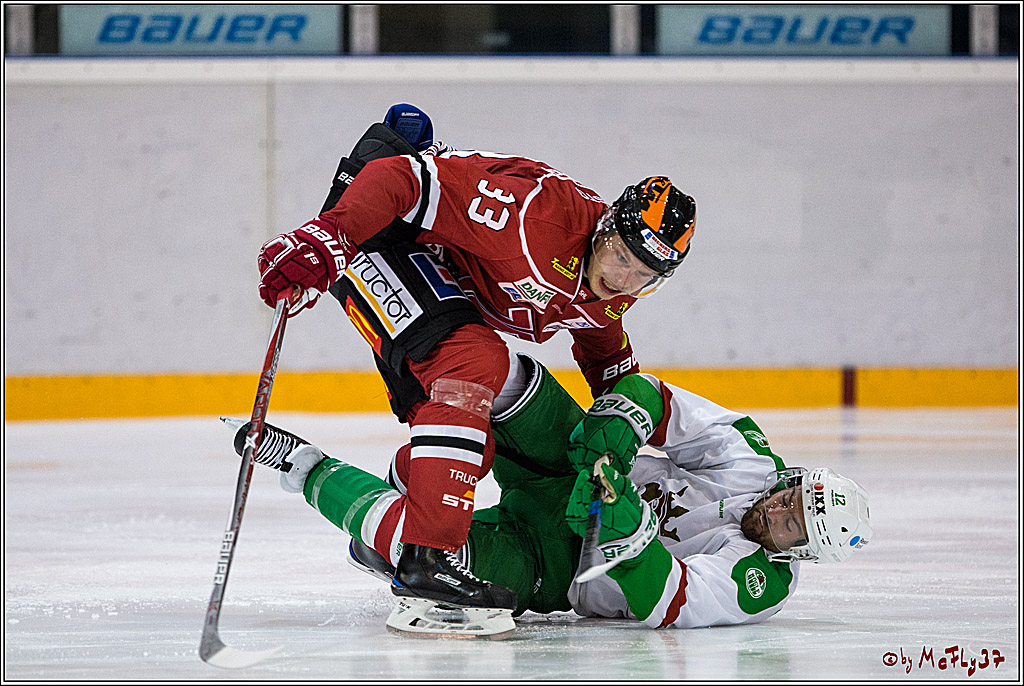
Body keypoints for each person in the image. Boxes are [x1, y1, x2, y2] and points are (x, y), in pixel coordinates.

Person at [254, 103, 698, 622]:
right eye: (622, 256)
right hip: (377, 231)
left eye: (645, 274)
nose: (624, 280)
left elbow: (606, 356)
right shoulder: (535, 217)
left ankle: (388, 533)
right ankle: (427, 557)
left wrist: (619, 437)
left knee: (471, 448)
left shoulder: (616, 293)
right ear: (606, 228)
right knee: (474, 362)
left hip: (434, 273)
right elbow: (400, 180)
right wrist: (329, 235)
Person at [227, 353, 872, 637]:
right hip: (572, 466)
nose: (779, 509)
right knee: (509, 377)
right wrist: (615, 439)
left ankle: (302, 466)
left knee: (417, 549)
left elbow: (666, 598)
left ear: (800, 553)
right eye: (793, 497)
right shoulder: (754, 460)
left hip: (553, 565)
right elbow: (658, 399)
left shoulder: (762, 585)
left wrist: (621, 515)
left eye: (793, 524)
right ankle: (423, 443)